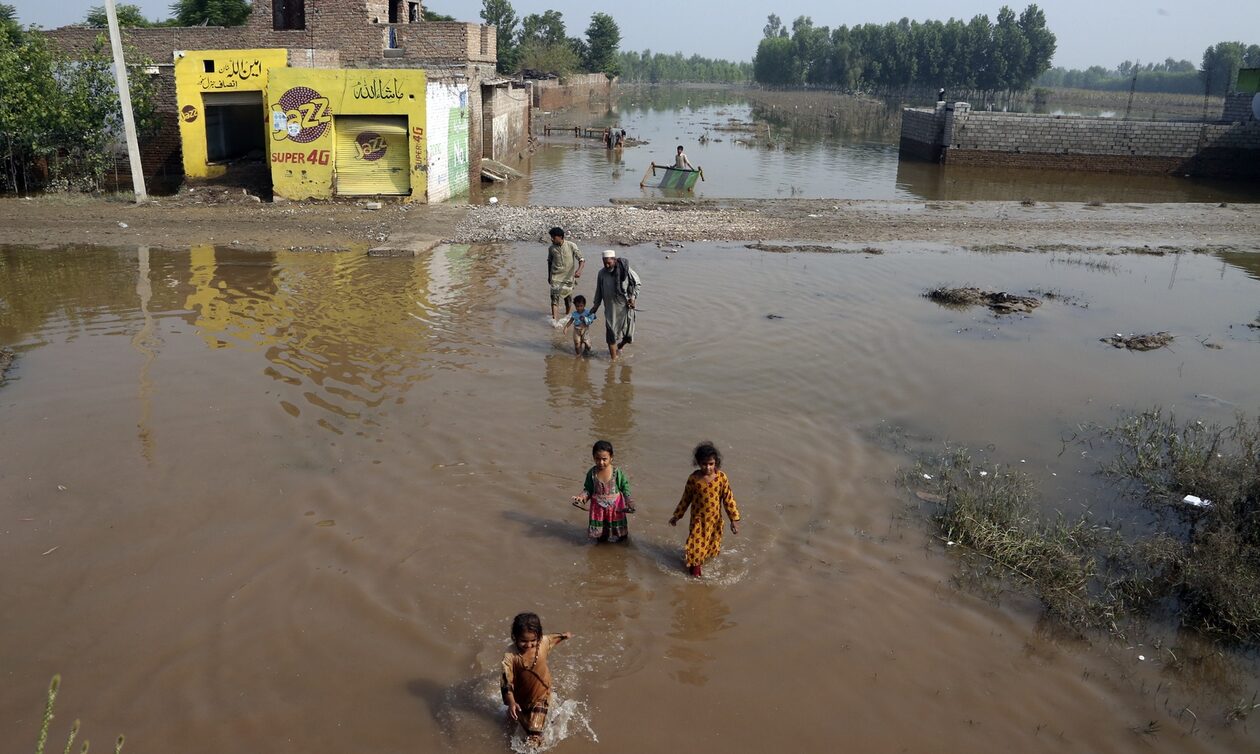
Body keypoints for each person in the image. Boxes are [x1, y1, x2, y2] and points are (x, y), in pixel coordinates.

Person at [669, 441, 741, 577]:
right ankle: (695, 577)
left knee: (710, 547)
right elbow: (686, 499)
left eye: (711, 464)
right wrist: (677, 516)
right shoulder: (694, 479)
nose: (708, 467)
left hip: (714, 521)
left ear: (716, 463)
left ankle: (698, 568)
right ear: (698, 462)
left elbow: (728, 499)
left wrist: (734, 520)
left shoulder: (721, 478)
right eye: (704, 464)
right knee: (695, 549)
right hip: (698, 521)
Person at [501, 612, 572, 747]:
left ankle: (536, 745)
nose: (528, 645)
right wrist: (511, 702)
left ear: (538, 637)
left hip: (541, 695)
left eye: (533, 641)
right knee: (514, 722)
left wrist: (563, 636)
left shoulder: (542, 643)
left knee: (533, 733)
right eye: (523, 641)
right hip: (521, 697)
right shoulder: (510, 656)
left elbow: (552, 639)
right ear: (514, 637)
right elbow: (506, 682)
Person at [572, 439, 635, 542]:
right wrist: (581, 498)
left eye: (604, 459)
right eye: (597, 459)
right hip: (598, 511)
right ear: (593, 457)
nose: (601, 462)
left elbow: (625, 488)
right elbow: (588, 489)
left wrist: (629, 501)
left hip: (615, 510)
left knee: (622, 537)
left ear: (611, 458)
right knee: (601, 538)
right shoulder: (592, 473)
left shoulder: (617, 473)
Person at [589, 250, 640, 360]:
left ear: (614, 260)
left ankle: (620, 346)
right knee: (611, 336)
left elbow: (637, 284)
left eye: (609, 263)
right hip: (610, 310)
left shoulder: (625, 270)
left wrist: (633, 298)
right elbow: (599, 291)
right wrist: (595, 306)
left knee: (628, 336)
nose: (607, 265)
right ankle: (613, 361)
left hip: (626, 308)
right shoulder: (601, 273)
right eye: (605, 263)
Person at [547, 227, 584, 321]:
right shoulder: (551, 248)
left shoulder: (571, 245)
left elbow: (581, 259)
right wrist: (549, 276)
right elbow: (549, 262)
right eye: (551, 237)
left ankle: (567, 316)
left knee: (568, 300)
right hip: (555, 277)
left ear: (560, 237)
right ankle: (555, 321)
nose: (551, 239)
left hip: (568, 278)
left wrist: (579, 270)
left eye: (553, 237)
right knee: (554, 300)